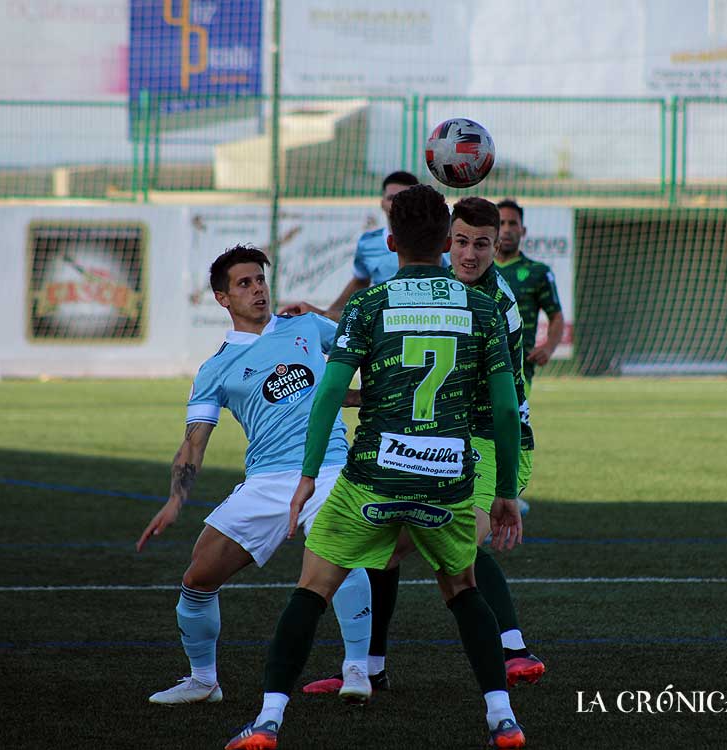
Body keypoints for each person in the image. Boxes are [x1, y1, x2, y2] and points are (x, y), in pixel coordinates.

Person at [224, 185, 527, 750]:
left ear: (390, 243)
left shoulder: (369, 305)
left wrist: (308, 477)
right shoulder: (482, 308)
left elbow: (328, 394)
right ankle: (501, 717)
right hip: (447, 480)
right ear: (445, 242)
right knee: (463, 591)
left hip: (370, 481)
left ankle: (267, 720)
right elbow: (507, 408)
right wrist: (505, 488)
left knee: (312, 589)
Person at [301, 197, 545, 699]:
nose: (470, 254)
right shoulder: (447, 291)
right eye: (460, 242)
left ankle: (513, 648)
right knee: (386, 549)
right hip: (443, 437)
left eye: (482, 244)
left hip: (490, 440)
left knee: (455, 536)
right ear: (444, 243)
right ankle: (371, 667)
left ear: (498, 246)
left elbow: (473, 393)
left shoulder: (493, 303)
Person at [136, 245, 373, 706]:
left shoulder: (305, 325)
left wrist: (366, 397)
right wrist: (174, 500)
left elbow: (359, 350)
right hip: (265, 482)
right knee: (198, 578)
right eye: (244, 284)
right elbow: (194, 442)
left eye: (260, 280)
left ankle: (356, 669)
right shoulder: (215, 368)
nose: (258, 289)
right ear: (223, 298)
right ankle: (204, 681)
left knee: (344, 555)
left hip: (328, 468)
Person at [280, 171, 422, 321]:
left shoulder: (434, 239)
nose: (397, 204)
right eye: (391, 198)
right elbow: (360, 280)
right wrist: (325, 315)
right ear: (382, 203)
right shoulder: (368, 243)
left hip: (421, 320)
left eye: (403, 198)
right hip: (384, 322)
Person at [494, 199, 565, 394]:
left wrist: (549, 347)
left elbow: (556, 316)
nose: (506, 229)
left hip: (520, 368)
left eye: (512, 223)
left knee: (514, 422)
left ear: (523, 230)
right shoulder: (479, 270)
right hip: (481, 364)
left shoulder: (537, 272)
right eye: (501, 223)